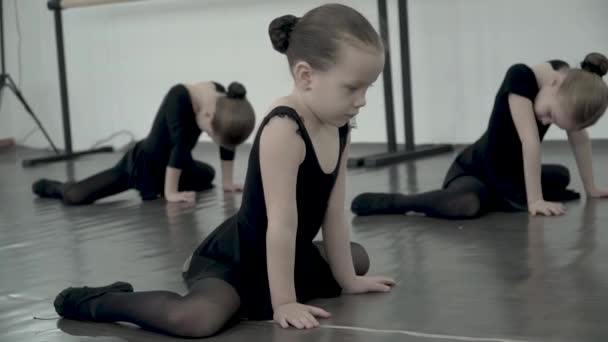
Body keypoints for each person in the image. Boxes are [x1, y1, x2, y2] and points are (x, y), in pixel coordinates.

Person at [52, 3, 395, 338]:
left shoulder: (340, 124)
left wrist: (348, 280)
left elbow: (333, 211)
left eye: (368, 87)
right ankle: (103, 300)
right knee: (196, 319)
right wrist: (285, 302)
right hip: (242, 258)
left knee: (355, 257)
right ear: (306, 76)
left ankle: (297, 280)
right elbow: (281, 224)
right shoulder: (285, 129)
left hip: (288, 251)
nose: (362, 100)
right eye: (352, 87)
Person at [352, 53, 608, 218]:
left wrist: (591, 187)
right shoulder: (520, 78)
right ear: (554, 83)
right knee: (465, 204)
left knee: (562, 175)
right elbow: (529, 142)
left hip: (513, 174)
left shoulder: (567, 85)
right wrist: (536, 200)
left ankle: (503, 198)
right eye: (550, 115)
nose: (546, 121)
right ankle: (400, 202)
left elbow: (580, 138)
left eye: (555, 123)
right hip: (479, 169)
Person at [32, 81, 255, 204]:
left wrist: (227, 182)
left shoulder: (223, 104)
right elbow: (179, 147)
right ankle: (55, 186)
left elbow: (227, 142)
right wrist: (171, 194)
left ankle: (177, 184)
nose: (209, 138)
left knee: (207, 175)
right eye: (210, 134)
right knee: (76, 197)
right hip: (144, 165)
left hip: (177, 167)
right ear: (206, 116)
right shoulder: (179, 97)